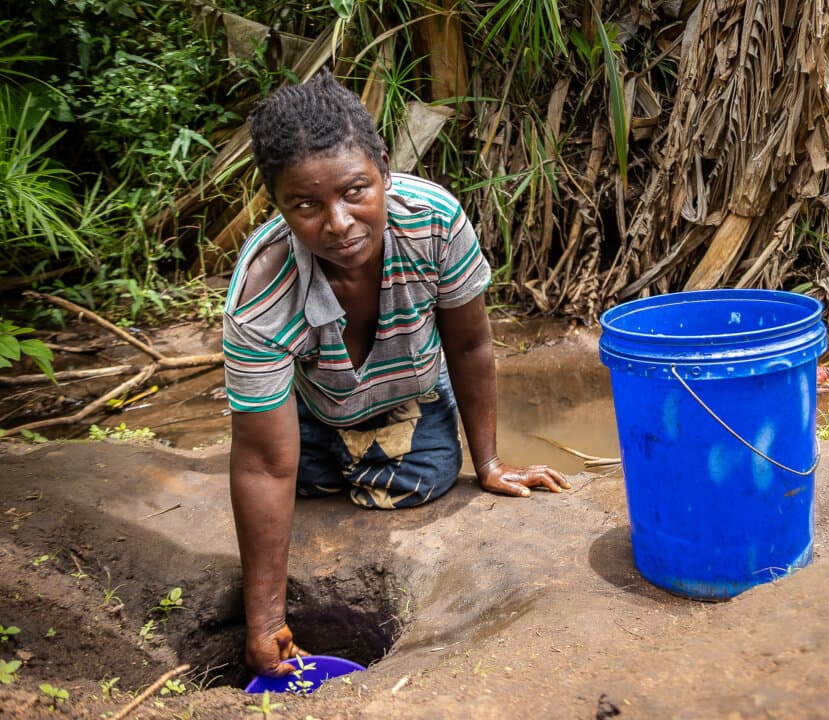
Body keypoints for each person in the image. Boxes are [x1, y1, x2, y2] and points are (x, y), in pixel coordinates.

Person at [223, 69, 570, 677]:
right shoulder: (260, 290)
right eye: (305, 204)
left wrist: (487, 464)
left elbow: (468, 345)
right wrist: (265, 620)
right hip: (312, 404)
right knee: (286, 473)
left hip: (407, 393)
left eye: (355, 190)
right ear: (276, 204)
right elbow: (260, 461)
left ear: (383, 168)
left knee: (432, 477)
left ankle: (349, 458)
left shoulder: (434, 222)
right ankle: (337, 454)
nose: (338, 222)